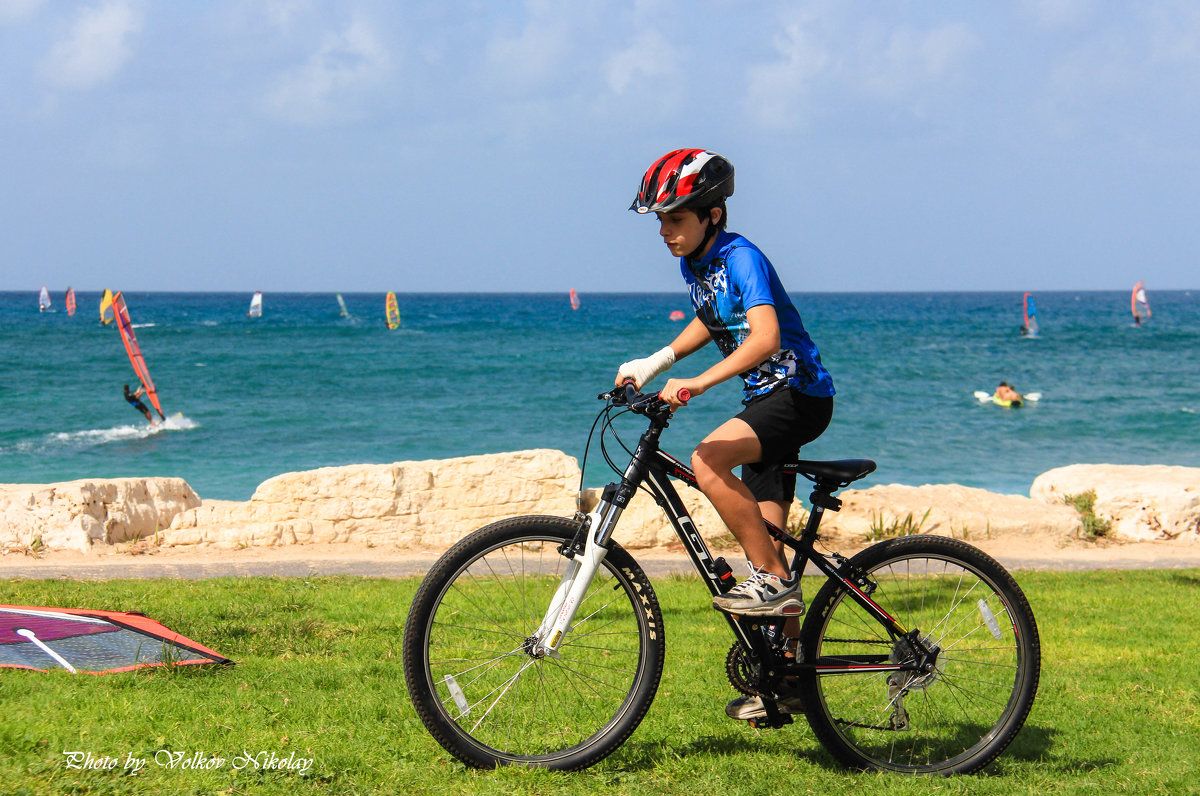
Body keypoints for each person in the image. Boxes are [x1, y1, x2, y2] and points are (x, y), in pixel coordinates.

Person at [615, 148, 835, 721]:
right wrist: (656, 359)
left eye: (676, 219)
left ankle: (771, 584)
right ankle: (786, 681)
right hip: (765, 401)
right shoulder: (697, 261)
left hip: (798, 397)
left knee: (707, 460)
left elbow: (762, 338)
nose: (665, 232)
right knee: (769, 539)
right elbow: (713, 319)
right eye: (660, 220)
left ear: (713, 213)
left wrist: (697, 383)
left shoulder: (742, 258)